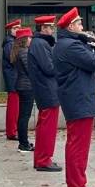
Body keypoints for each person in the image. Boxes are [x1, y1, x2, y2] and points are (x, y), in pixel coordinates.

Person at [53, 7, 95, 187]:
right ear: (70, 26)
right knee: (79, 145)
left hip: (76, 98)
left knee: (77, 144)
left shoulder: (68, 43)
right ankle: (77, 186)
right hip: (79, 98)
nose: (82, 26)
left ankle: (77, 183)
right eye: (79, 23)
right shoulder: (71, 46)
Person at [29, 15, 62, 172]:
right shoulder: (41, 44)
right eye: (50, 27)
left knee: (44, 126)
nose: (52, 30)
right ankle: (44, 160)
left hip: (45, 89)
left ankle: (41, 159)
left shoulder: (38, 43)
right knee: (47, 128)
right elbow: (49, 68)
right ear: (43, 28)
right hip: (47, 89)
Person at [11, 27, 35, 153]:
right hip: (27, 86)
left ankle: (23, 142)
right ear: (25, 39)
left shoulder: (17, 51)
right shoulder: (24, 52)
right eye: (29, 37)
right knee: (24, 116)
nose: (31, 39)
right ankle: (24, 143)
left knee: (22, 116)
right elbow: (29, 69)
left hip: (22, 85)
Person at [3, 19, 22, 140]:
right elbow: (14, 60)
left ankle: (13, 130)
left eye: (19, 28)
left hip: (14, 77)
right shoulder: (10, 43)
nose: (18, 30)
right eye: (15, 28)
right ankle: (11, 132)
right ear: (10, 30)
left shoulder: (13, 42)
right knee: (14, 107)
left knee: (15, 107)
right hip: (13, 78)